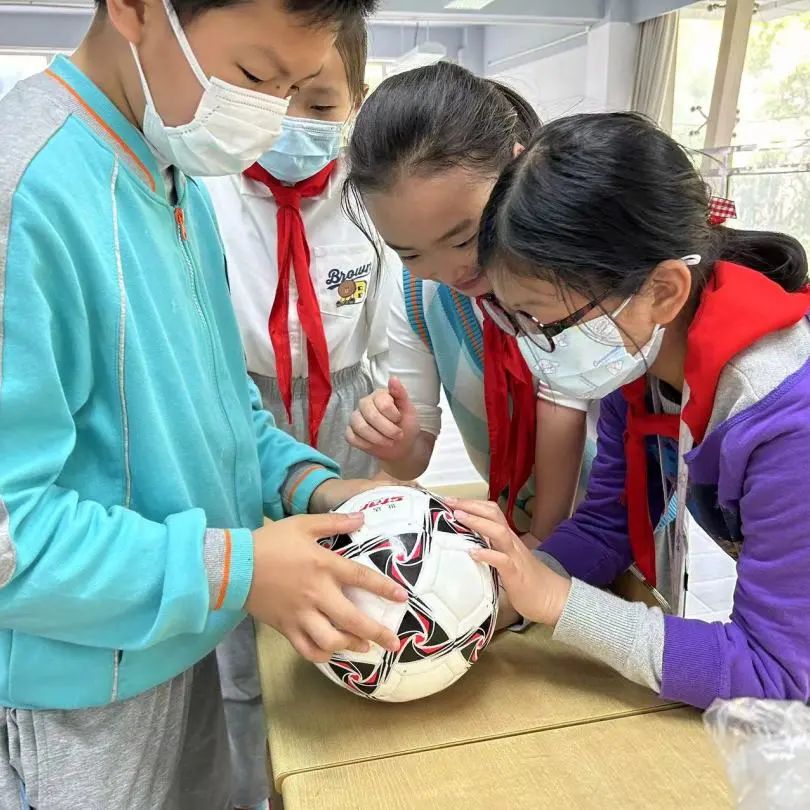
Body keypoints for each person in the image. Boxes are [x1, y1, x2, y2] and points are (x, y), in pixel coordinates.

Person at [0, 0, 410, 807]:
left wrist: (318, 489)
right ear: (136, 9)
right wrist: (240, 568)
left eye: (299, 87)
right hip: (76, 691)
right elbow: (11, 537)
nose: (269, 116)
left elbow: (225, 413)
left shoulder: (171, 176)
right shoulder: (27, 193)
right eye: (257, 77)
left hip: (172, 638)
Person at [454, 111, 810, 708]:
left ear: (665, 290)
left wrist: (558, 601)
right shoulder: (645, 363)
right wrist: (498, 591)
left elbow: (777, 674)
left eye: (545, 320)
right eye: (513, 319)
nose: (532, 344)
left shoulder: (784, 417)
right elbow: (608, 524)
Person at [205, 21, 396, 810]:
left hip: (341, 400)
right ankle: (257, 783)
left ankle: (347, 762)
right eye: (271, 91)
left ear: (355, 103)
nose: (291, 117)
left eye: (319, 101)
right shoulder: (207, 182)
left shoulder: (369, 196)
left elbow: (395, 331)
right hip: (238, 397)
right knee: (242, 610)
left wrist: (395, 426)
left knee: (350, 582)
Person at [343, 62, 597, 545]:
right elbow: (412, 457)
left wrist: (546, 550)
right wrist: (396, 443)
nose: (452, 271)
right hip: (517, 525)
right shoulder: (421, 295)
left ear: (520, 171)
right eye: (411, 252)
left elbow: (564, 408)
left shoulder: (575, 274)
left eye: (465, 237)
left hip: (618, 525)